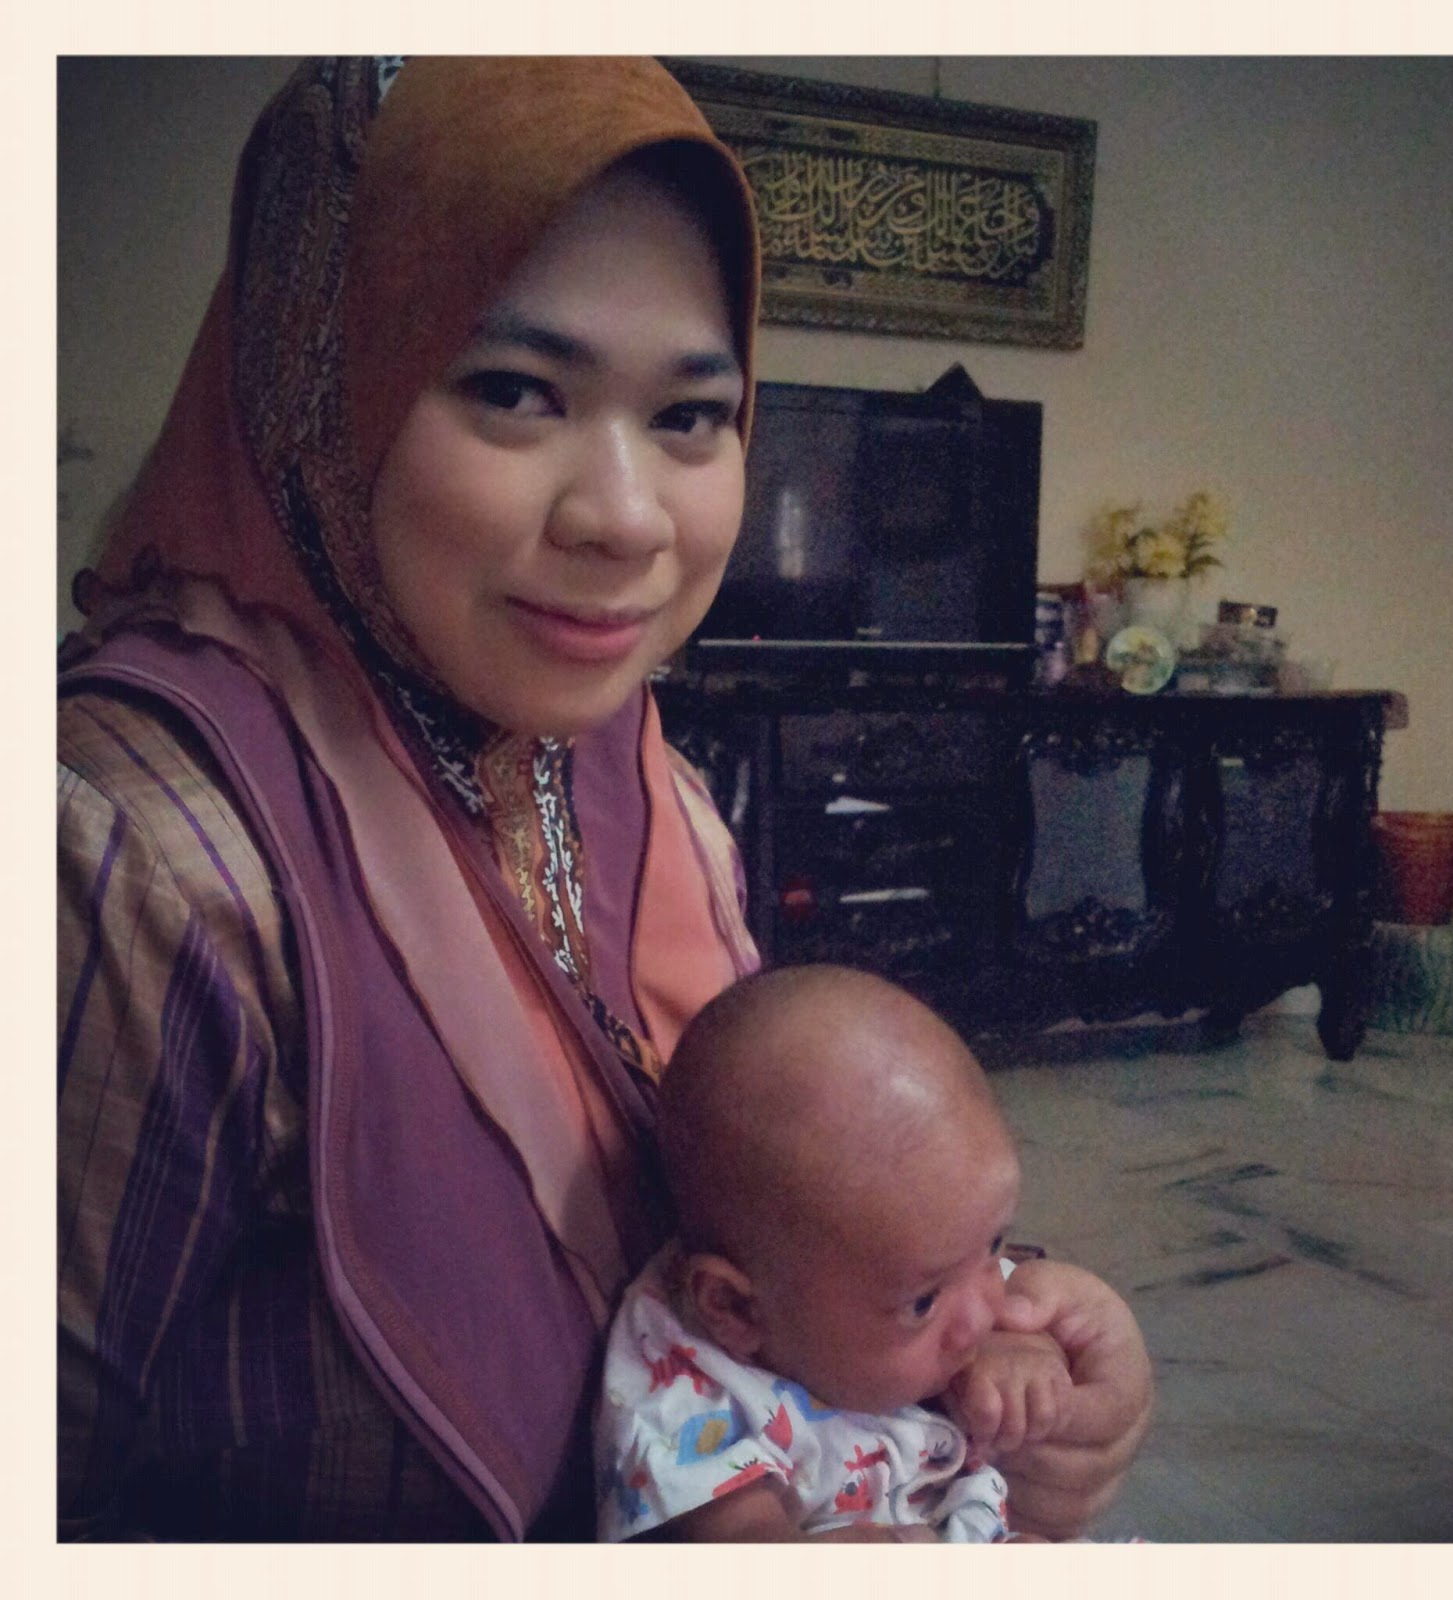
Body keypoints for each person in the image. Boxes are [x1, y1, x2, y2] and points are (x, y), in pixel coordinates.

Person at [57, 55, 1151, 1542]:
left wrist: (1000, 1337)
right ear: (316, 381)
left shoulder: (645, 790)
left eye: (692, 415)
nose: (628, 518)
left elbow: (768, 1206)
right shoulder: (131, 855)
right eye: (514, 392)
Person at [593, 964, 1146, 1543]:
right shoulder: (684, 1379)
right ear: (737, 1309)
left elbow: (1003, 1316)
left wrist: (1025, 1353)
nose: (983, 1312)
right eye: (924, 1302)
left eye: (993, 1245)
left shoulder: (925, 1262)